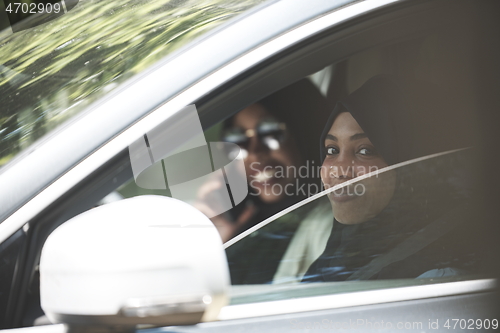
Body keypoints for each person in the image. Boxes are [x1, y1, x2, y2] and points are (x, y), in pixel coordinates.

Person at [297, 74, 487, 282]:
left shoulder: (436, 280)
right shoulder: (342, 257)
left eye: (365, 151)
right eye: (332, 149)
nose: (338, 170)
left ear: (416, 164)